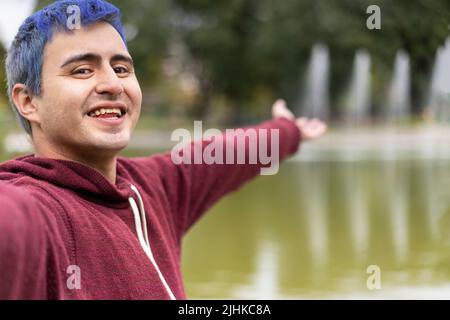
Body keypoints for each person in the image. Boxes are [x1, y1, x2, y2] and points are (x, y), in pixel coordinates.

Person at [0, 0, 326, 299]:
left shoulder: (153, 187)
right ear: (29, 102)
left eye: (122, 68)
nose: (113, 84)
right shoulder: (39, 211)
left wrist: (287, 131)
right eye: (82, 70)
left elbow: (221, 155)